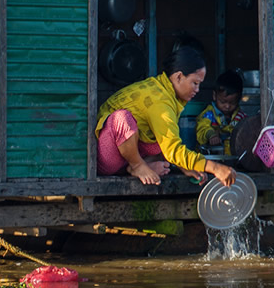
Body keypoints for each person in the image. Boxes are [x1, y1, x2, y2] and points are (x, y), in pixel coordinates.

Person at [95, 45, 236, 186]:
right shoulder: (159, 100)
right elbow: (173, 150)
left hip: (130, 156)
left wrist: (185, 167)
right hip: (109, 158)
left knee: (163, 139)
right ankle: (138, 166)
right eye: (195, 83)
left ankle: (137, 166)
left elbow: (169, 143)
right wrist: (216, 168)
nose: (197, 90)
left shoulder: (168, 95)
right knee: (122, 118)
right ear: (179, 77)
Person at [196, 69, 247, 156]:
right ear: (214, 96)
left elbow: (246, 131)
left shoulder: (241, 117)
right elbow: (202, 128)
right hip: (210, 158)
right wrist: (211, 135)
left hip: (233, 158)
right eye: (223, 102)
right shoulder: (208, 114)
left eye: (232, 103)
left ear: (239, 99)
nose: (227, 106)